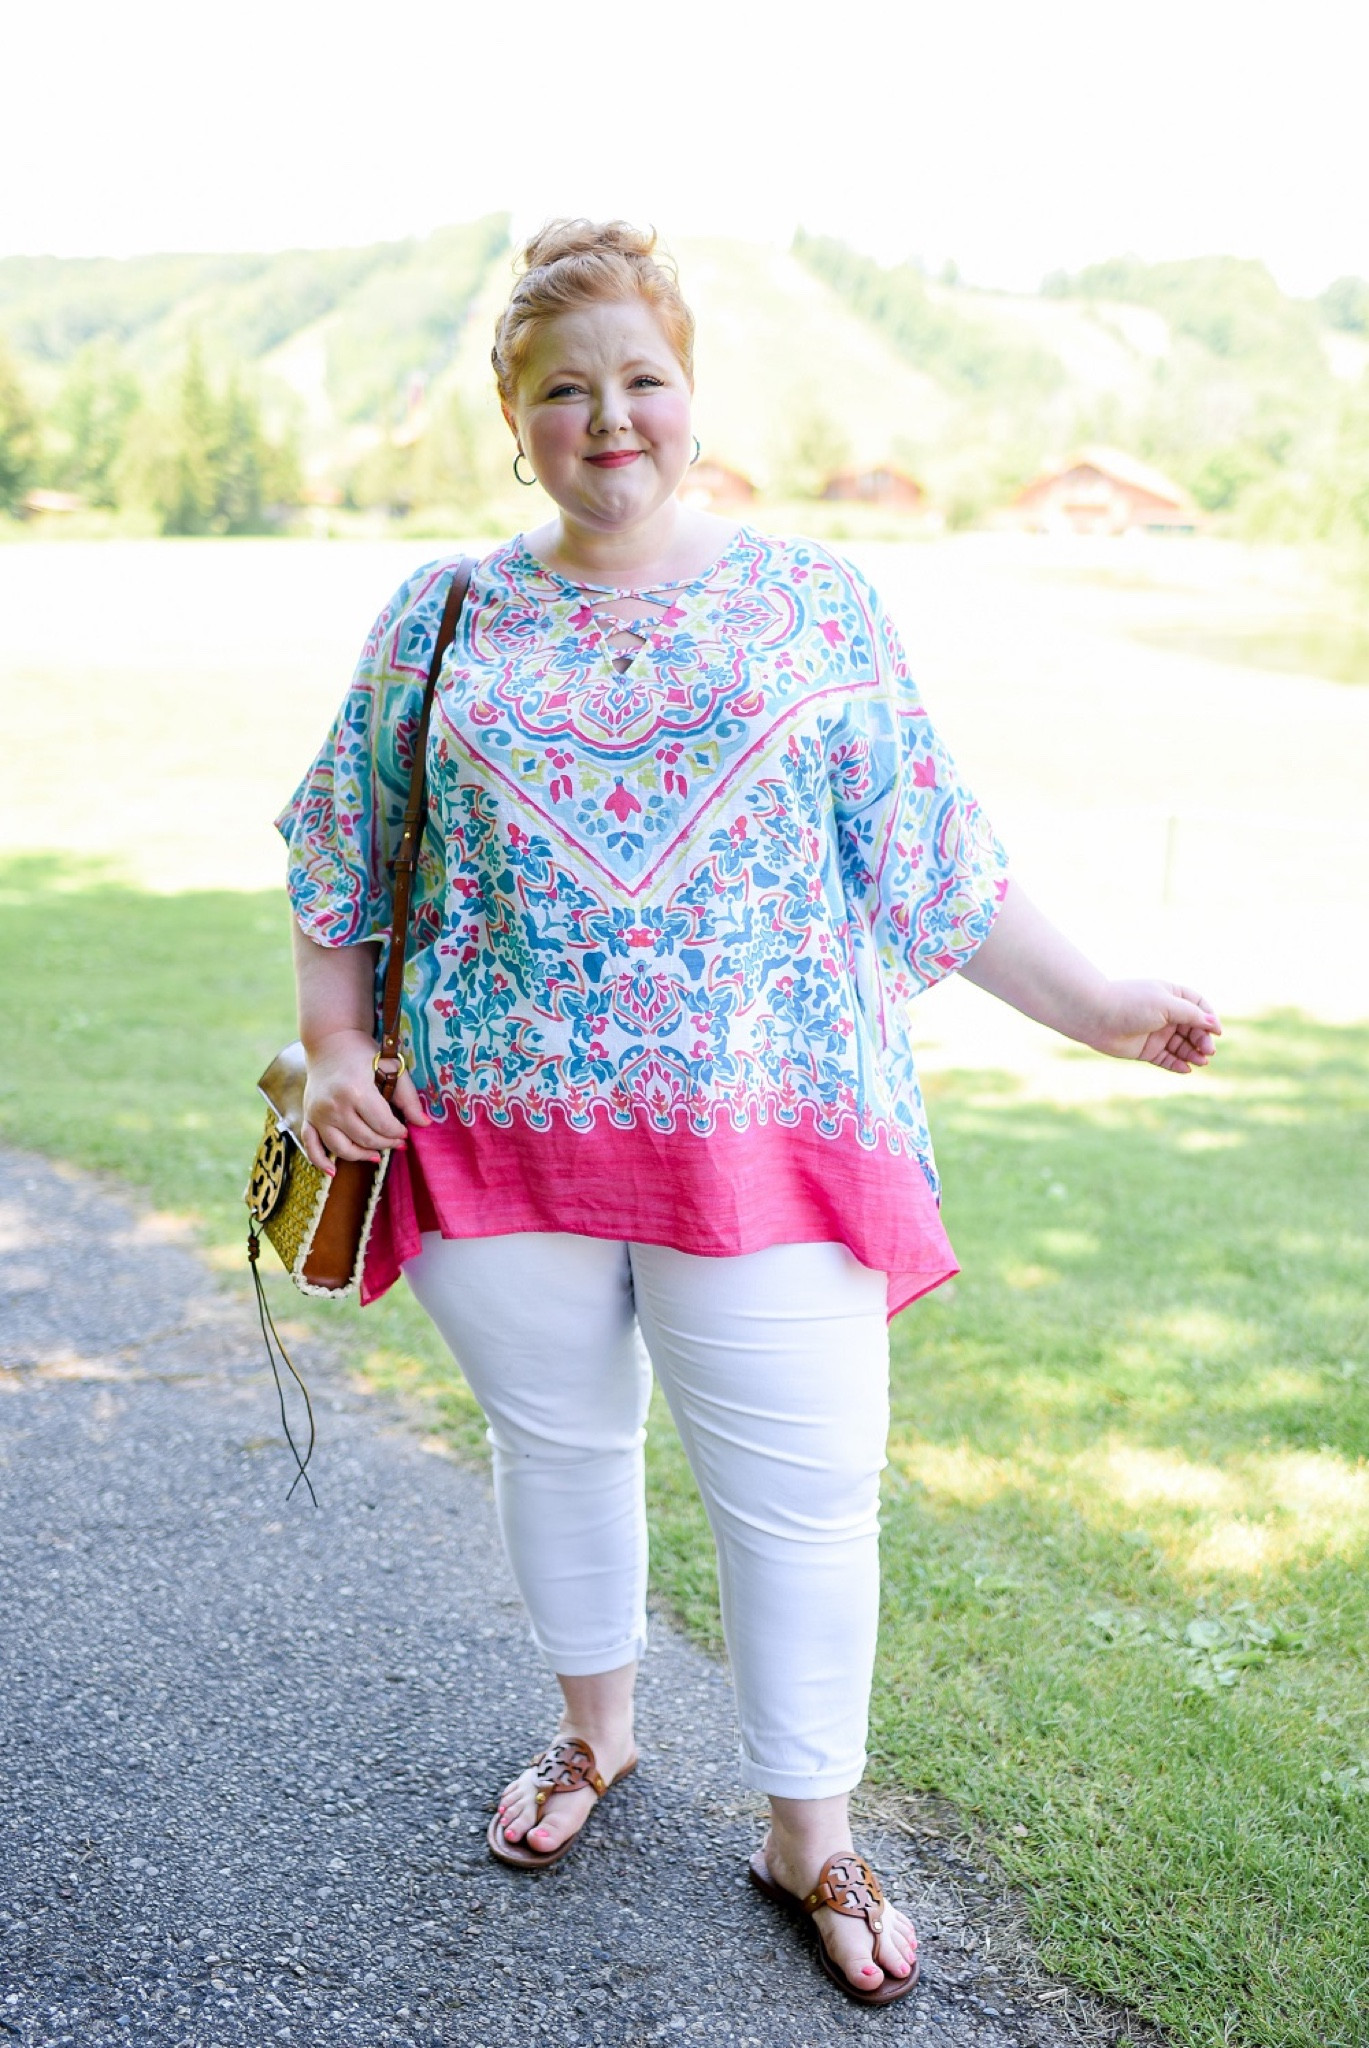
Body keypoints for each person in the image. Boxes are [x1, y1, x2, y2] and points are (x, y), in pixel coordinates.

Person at [276, 219, 1220, 2008]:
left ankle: (811, 1831)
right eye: (564, 388)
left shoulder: (813, 604)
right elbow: (341, 845)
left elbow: (931, 859)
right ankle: (594, 1734)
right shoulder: (441, 611)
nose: (606, 416)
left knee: (801, 1507)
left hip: (773, 1144)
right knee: (554, 1452)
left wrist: (1099, 1004)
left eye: (639, 379)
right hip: (494, 1144)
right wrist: (331, 1044)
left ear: (690, 395)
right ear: (511, 416)